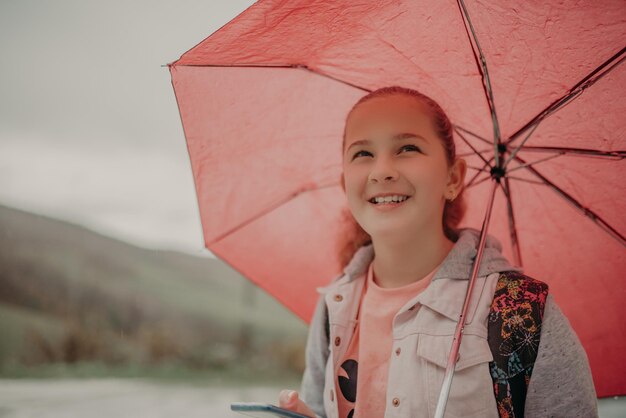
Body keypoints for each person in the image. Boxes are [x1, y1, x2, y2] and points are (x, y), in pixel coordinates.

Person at [277, 86, 598, 417]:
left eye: (407, 148)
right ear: (345, 185)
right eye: (363, 154)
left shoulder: (523, 312)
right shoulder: (335, 306)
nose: (382, 170)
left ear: (453, 178)